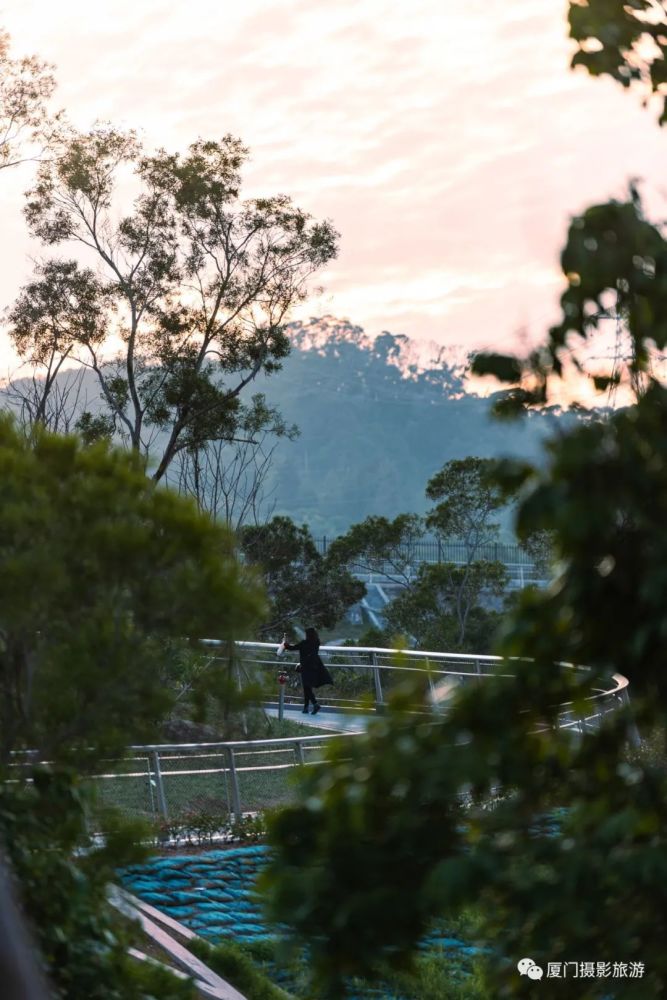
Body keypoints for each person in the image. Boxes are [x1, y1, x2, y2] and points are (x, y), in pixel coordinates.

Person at [283, 627, 333, 714]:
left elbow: (293, 648)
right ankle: (306, 708)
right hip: (314, 667)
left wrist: (285, 645)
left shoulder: (304, 643)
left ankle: (315, 704)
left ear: (307, 635)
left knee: (307, 687)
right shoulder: (316, 643)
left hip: (306, 668)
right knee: (307, 687)